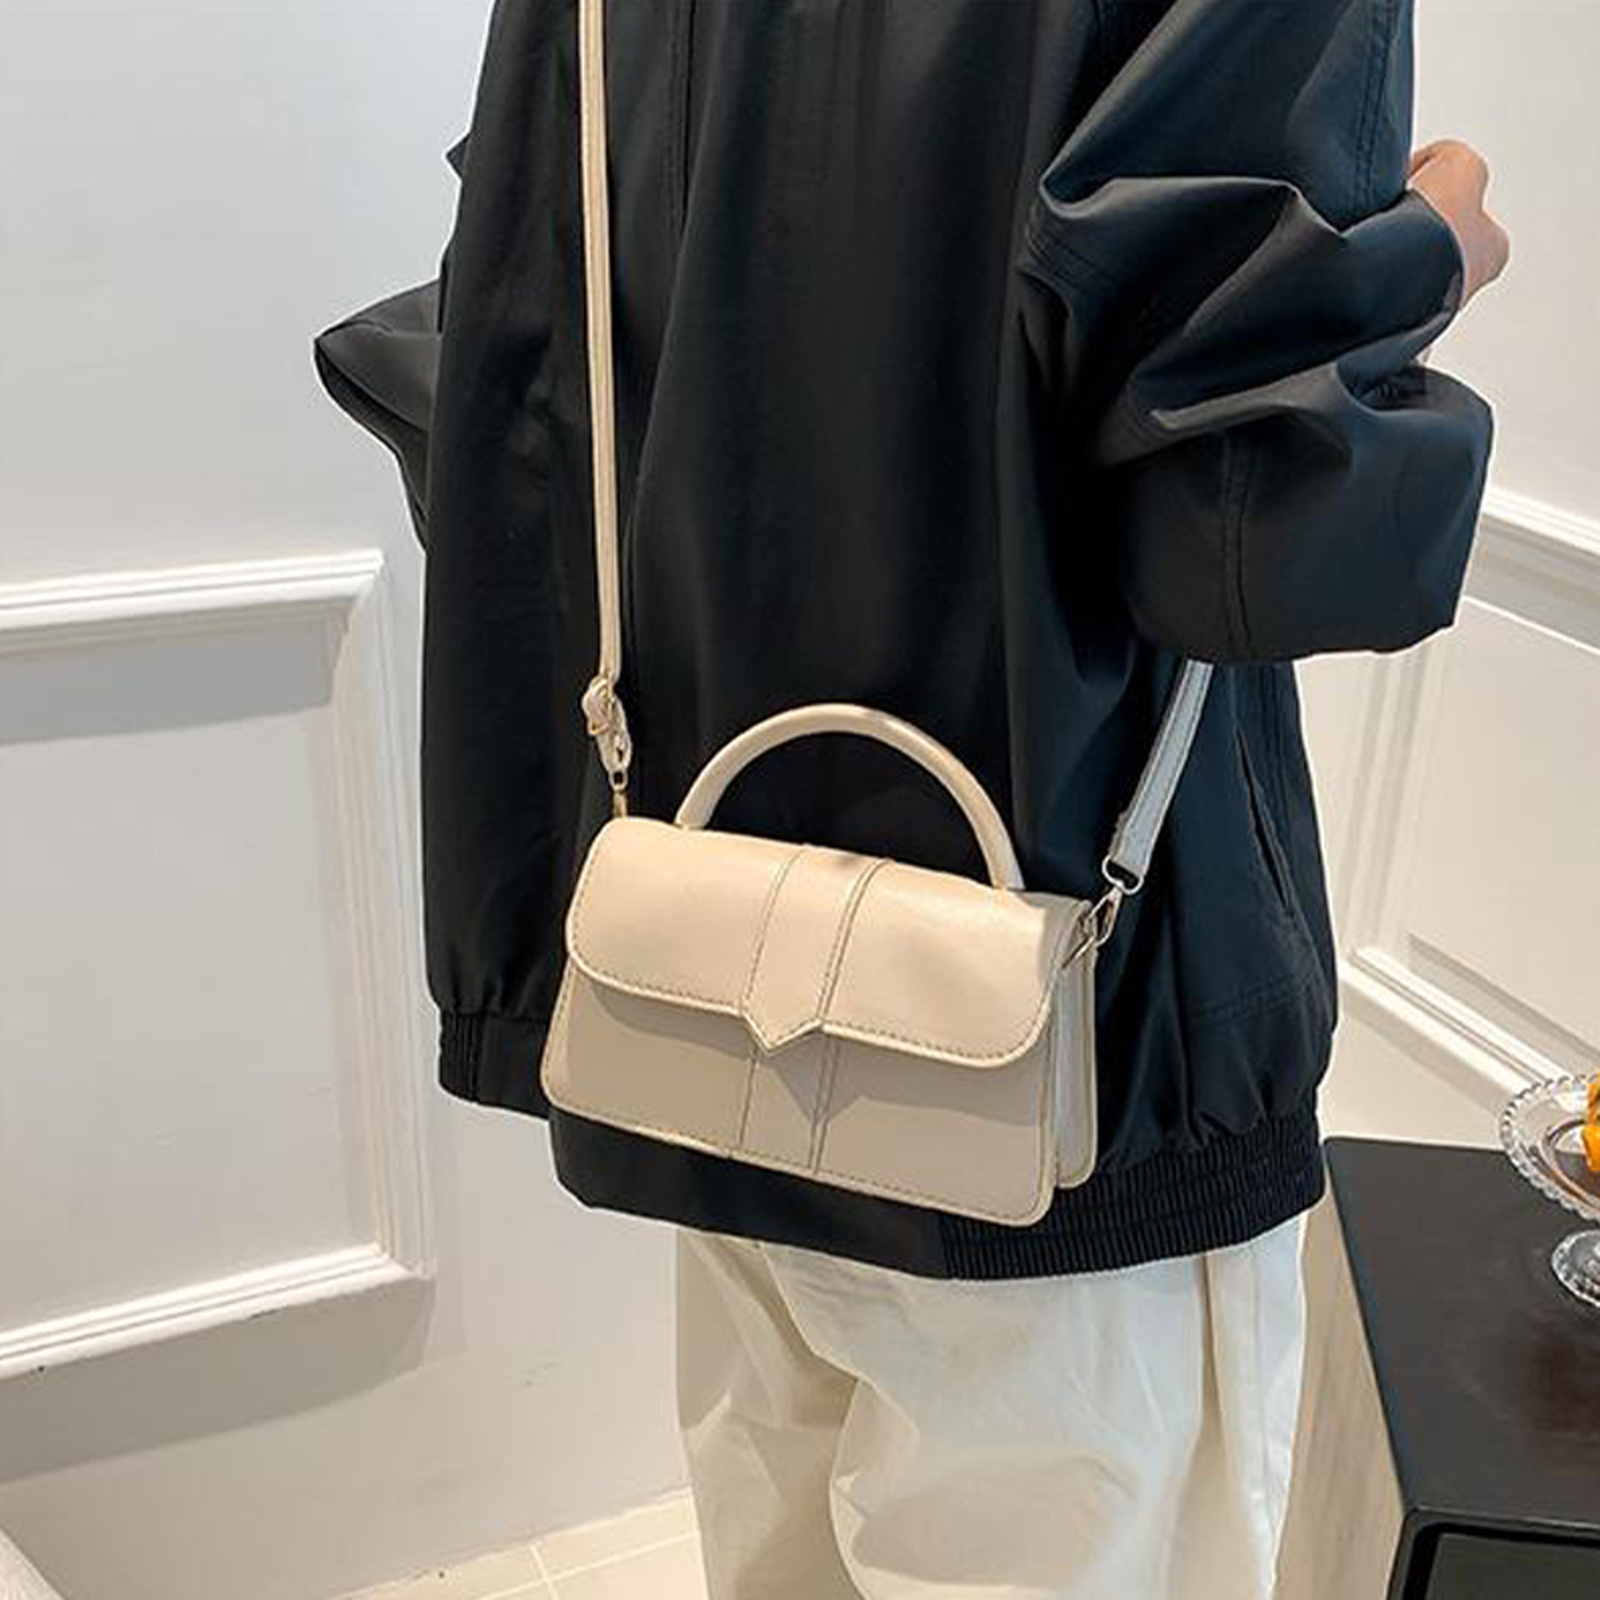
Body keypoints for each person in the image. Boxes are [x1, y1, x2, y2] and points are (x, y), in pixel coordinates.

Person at [314, 1, 1509, 1595]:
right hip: (1072, 1058)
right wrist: (1433, 251)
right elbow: (1240, 516)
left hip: (713, 985)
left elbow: (521, 363)